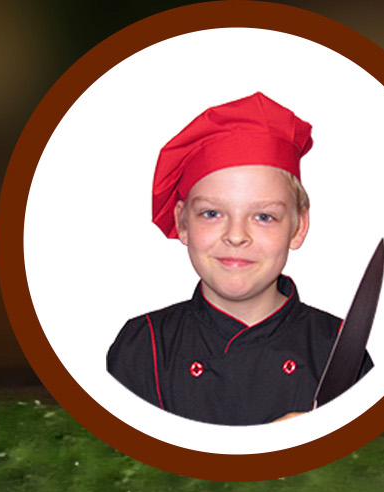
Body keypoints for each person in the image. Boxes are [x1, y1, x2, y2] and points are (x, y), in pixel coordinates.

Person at [106, 92, 367, 424]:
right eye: (212, 213)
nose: (236, 235)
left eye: (264, 217)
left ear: (298, 227)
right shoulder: (143, 346)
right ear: (182, 223)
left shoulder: (343, 351)